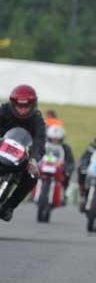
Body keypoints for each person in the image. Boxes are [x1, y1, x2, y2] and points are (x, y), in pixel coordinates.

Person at [0, 85, 46, 222]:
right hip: (1, 149)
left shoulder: (37, 119)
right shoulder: (4, 111)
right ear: (13, 104)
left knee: (32, 177)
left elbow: (40, 141)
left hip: (22, 156)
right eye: (19, 106)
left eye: (26, 107)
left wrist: (33, 160)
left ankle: (9, 206)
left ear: (33, 105)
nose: (22, 110)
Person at [45, 124, 75, 198]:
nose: (55, 141)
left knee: (67, 175)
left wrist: (66, 169)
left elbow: (70, 162)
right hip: (44, 167)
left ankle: (63, 193)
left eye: (57, 139)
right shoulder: (44, 145)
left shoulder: (66, 148)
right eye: (53, 139)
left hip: (58, 170)